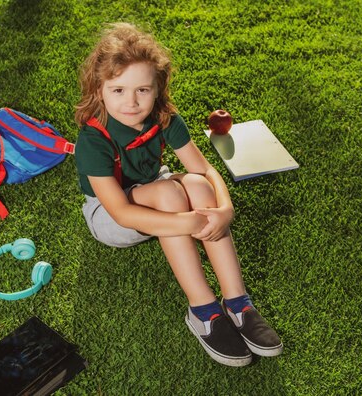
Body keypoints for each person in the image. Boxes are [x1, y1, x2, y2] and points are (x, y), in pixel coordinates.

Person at [74, 22, 282, 367]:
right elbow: (123, 214)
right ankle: (203, 310)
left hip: (155, 188)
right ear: (99, 89)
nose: (131, 102)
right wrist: (187, 220)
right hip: (109, 214)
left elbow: (204, 171)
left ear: (158, 88)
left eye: (142, 90)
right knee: (171, 194)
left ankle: (238, 302)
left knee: (198, 186)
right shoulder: (93, 140)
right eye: (118, 90)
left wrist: (225, 209)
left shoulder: (165, 118)